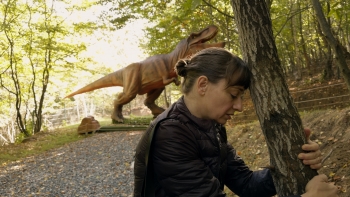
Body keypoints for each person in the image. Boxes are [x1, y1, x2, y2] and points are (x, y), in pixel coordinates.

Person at [133, 48, 338, 197]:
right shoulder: (171, 133)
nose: (239, 106)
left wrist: (292, 161)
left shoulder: (210, 126)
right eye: (233, 94)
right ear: (203, 85)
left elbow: (247, 185)